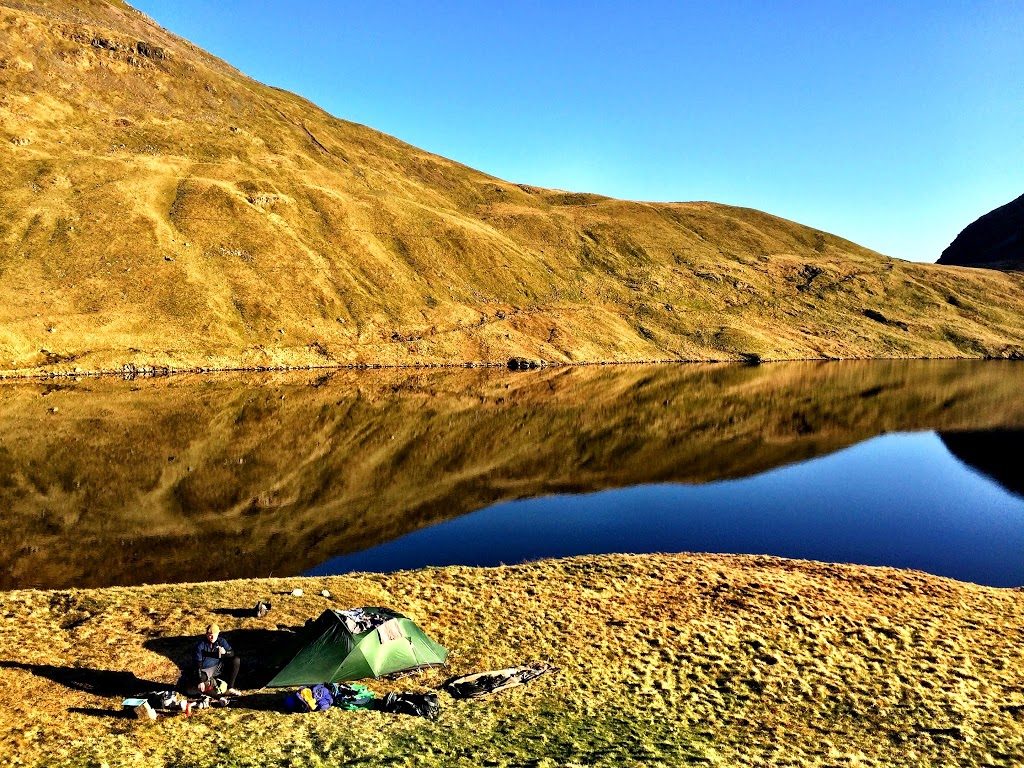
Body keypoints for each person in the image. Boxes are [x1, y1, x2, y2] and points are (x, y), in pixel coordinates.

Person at [194, 623, 241, 695]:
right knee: (200, 679)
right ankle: (214, 693)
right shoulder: (201, 645)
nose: (211, 637)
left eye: (214, 635)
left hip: (219, 666)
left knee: (236, 660)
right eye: (209, 635)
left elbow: (231, 653)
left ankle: (230, 688)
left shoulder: (221, 641)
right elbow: (198, 664)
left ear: (218, 634)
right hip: (207, 669)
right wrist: (200, 680)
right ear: (206, 634)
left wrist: (225, 652)